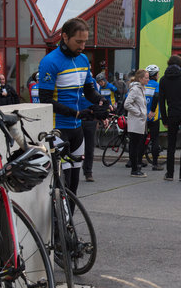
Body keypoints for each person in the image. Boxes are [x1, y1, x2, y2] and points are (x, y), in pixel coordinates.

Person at [37, 17, 109, 195]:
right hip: (58, 129)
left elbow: (90, 91)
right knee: (63, 183)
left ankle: (68, 224)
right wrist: (76, 113)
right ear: (64, 37)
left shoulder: (83, 59)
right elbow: (45, 100)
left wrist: (102, 102)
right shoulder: (50, 61)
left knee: (73, 186)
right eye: (78, 42)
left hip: (77, 130)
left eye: (85, 41)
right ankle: (55, 220)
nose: (83, 46)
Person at [125, 70, 149, 178]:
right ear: (140, 79)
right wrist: (138, 112)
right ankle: (134, 169)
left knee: (137, 145)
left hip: (139, 122)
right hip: (136, 122)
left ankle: (136, 167)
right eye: (146, 77)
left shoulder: (141, 89)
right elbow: (127, 104)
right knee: (135, 146)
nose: (148, 79)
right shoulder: (135, 89)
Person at [78, 75, 101, 182]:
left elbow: (96, 99)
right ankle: (69, 170)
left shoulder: (91, 82)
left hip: (90, 118)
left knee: (89, 147)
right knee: (73, 147)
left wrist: (97, 116)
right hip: (76, 118)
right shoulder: (73, 79)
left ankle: (88, 172)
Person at [144, 65, 163, 171]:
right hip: (153, 116)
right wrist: (152, 110)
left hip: (143, 116)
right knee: (155, 139)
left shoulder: (144, 85)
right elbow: (156, 97)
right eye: (157, 74)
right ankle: (155, 164)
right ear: (155, 75)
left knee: (142, 139)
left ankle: (138, 162)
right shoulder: (156, 85)